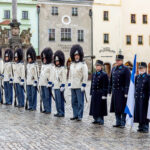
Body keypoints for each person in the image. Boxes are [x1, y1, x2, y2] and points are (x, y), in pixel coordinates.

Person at [109, 54, 131, 128]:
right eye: (116, 60)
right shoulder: (114, 69)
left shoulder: (126, 69)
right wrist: (109, 90)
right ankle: (117, 122)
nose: (117, 61)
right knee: (116, 108)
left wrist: (126, 92)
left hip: (122, 92)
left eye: (119, 60)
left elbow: (128, 81)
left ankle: (122, 123)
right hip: (115, 91)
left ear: (122, 61)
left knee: (122, 108)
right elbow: (111, 80)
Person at [68, 44, 88, 121]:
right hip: (73, 86)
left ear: (80, 55)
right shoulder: (72, 64)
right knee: (73, 102)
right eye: (75, 55)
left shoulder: (83, 65)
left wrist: (83, 85)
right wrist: (69, 84)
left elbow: (85, 76)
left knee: (80, 102)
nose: (76, 56)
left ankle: (79, 116)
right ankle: (75, 114)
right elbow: (69, 75)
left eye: (78, 55)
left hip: (79, 86)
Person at [89, 60, 109, 125]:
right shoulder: (94, 74)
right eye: (96, 65)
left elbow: (105, 85)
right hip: (95, 93)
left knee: (100, 107)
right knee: (94, 107)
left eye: (98, 65)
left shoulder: (104, 74)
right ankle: (96, 119)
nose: (97, 67)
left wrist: (104, 94)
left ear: (101, 66)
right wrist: (91, 92)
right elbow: (92, 84)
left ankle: (101, 120)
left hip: (100, 93)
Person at [134, 62, 150, 133]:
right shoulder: (137, 77)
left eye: (142, 68)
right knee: (139, 112)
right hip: (138, 97)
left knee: (145, 113)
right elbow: (135, 87)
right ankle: (140, 126)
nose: (141, 69)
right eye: (139, 68)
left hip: (145, 98)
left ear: (145, 69)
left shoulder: (148, 77)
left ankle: (145, 127)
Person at [39, 48, 54, 114]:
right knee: (43, 97)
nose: (44, 59)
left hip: (47, 84)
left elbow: (52, 75)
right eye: (43, 58)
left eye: (45, 58)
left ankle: (48, 109)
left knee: (48, 97)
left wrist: (50, 82)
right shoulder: (43, 65)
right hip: (42, 83)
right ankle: (45, 108)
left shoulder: (50, 66)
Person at [53, 50, 66, 117]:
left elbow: (64, 78)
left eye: (58, 61)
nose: (57, 62)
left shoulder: (62, 69)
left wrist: (63, 85)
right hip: (55, 86)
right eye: (56, 61)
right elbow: (53, 77)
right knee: (57, 100)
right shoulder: (55, 68)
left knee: (60, 100)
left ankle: (61, 112)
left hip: (60, 86)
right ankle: (58, 111)